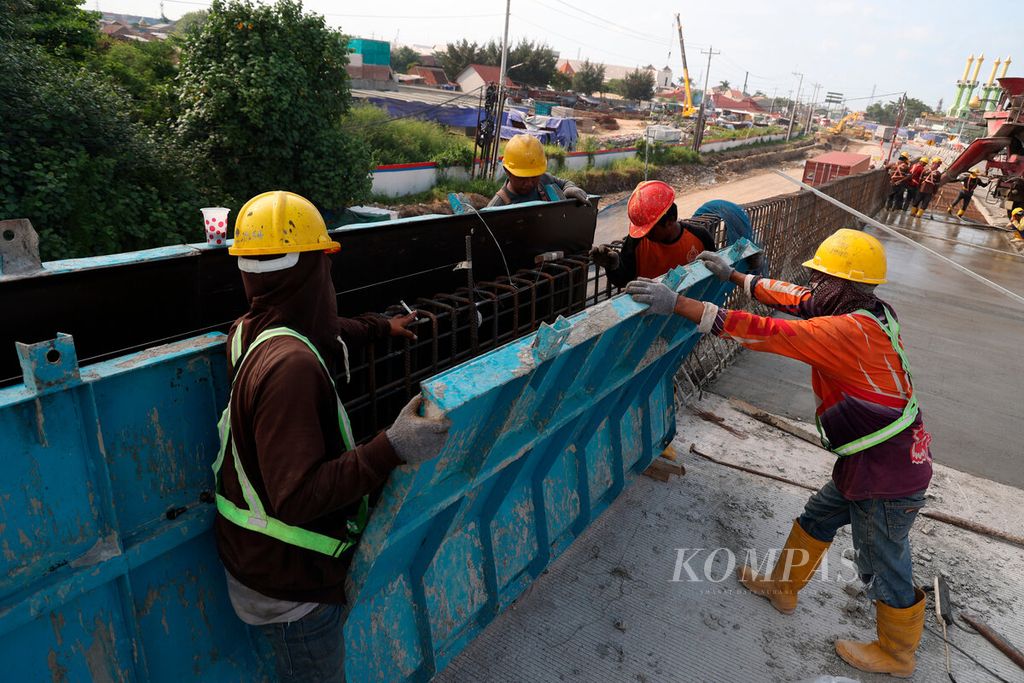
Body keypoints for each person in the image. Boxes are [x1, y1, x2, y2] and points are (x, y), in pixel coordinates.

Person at [624, 228, 932, 678]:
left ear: (843, 285)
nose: (815, 286)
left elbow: (766, 331)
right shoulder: (870, 310)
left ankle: (898, 653)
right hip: (872, 461)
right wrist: (736, 278)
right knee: (818, 517)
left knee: (881, 561)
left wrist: (679, 305)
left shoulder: (843, 331)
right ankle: (783, 587)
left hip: (888, 475)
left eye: (823, 278)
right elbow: (797, 297)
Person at [214, 190, 451, 683]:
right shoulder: (291, 369)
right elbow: (297, 498)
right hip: (291, 587)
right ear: (312, 271)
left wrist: (379, 328)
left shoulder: (248, 330)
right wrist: (391, 447)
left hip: (256, 560)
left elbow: (320, 327)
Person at [589, 180, 716, 289]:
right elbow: (623, 280)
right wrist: (613, 267)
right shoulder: (636, 241)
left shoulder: (700, 237)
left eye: (649, 229)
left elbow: (714, 276)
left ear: (670, 220)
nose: (644, 235)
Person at [488, 134, 590, 207]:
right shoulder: (497, 207)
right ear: (507, 171)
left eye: (534, 177)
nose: (528, 183)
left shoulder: (544, 180)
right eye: (522, 178)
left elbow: (564, 184)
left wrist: (569, 188)